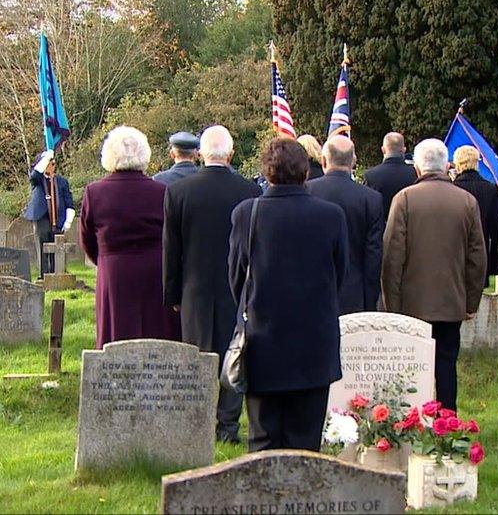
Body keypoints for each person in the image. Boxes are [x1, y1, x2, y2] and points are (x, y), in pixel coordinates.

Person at [229, 137, 347, 452]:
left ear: (266, 172)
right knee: (306, 441)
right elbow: (339, 274)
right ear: (306, 171)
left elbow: (237, 278)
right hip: (313, 341)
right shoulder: (331, 215)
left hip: (263, 338)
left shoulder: (246, 214)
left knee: (263, 439)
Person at [163, 125, 261, 444]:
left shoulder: (179, 192)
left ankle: (199, 422)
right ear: (230, 155)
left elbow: (171, 249)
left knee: (199, 352)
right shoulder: (250, 192)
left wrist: (173, 293)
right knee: (234, 353)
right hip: (237, 287)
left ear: (201, 155)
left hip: (195, 288)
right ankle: (228, 426)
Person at [382, 138, 486, 411]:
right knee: (446, 365)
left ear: (417, 167)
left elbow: (393, 257)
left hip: (412, 305)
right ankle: (446, 422)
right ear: (447, 165)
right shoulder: (467, 201)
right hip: (451, 301)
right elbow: (477, 257)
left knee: (413, 367)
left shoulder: (404, 200)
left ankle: (412, 419)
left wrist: (393, 306)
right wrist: (471, 302)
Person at [80, 126, 181, 348]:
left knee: (116, 333)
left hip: (114, 272)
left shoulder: (94, 192)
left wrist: (105, 259)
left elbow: (87, 239)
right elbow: (173, 237)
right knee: (157, 333)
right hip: (155, 272)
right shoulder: (162, 191)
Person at [307, 136, 383, 314]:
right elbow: (373, 254)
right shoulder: (370, 199)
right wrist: (370, 301)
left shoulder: (306, 191)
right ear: (353, 162)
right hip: (354, 295)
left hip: (313, 291)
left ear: (324, 160)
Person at [452, 145, 498, 285]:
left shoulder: (452, 189)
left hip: (457, 252)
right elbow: (495, 227)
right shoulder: (490, 189)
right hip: (482, 249)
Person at [24, 150, 75, 278]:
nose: (51, 166)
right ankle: (44, 275)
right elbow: (34, 175)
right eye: (48, 163)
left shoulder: (62, 181)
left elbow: (69, 202)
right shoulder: (38, 180)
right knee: (43, 245)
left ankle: (57, 272)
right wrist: (46, 158)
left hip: (58, 218)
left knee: (57, 246)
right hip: (42, 217)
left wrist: (68, 220)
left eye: (53, 163)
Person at [364, 132, 418, 220]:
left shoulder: (371, 175)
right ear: (404, 150)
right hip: (409, 227)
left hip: (382, 229)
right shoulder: (415, 173)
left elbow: (368, 207)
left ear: (383, 150)